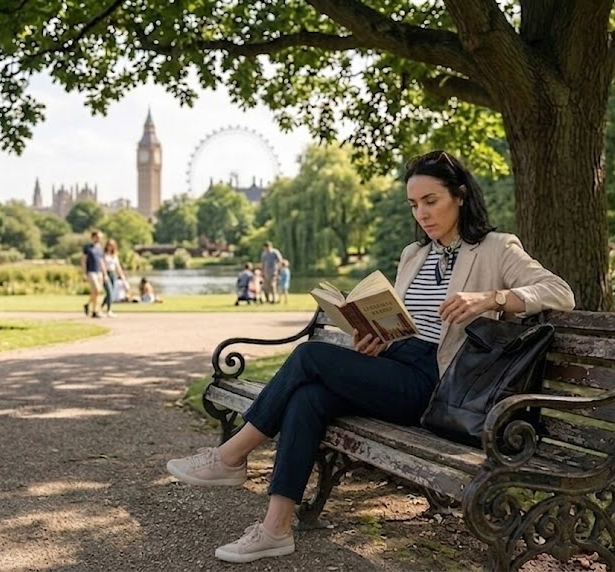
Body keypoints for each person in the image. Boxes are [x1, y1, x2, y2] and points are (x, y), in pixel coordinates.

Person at [166, 150, 575, 564]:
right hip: (398, 365)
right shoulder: (414, 255)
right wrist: (377, 338)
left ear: (461, 196)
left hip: (440, 384)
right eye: (414, 205)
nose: (422, 214)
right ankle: (275, 528)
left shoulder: (495, 248)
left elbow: (560, 292)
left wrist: (494, 297)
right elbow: (404, 323)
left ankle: (232, 456)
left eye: (431, 201)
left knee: (309, 356)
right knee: (309, 398)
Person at [81, 229, 107, 319]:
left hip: (99, 271)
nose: (99, 239)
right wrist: (84, 273)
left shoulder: (100, 248)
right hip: (91, 271)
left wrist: (105, 273)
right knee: (97, 289)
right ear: (93, 237)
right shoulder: (87, 248)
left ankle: (89, 306)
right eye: (97, 237)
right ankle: (95, 311)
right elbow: (84, 260)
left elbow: (101, 261)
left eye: (100, 238)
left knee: (96, 292)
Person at [100, 239, 127, 317]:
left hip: (112, 274)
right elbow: (102, 266)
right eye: (109, 245)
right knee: (109, 292)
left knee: (110, 293)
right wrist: (104, 275)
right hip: (106, 273)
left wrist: (123, 277)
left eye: (112, 246)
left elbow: (118, 267)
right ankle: (108, 310)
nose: (110, 247)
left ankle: (101, 308)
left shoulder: (114, 256)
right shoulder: (104, 255)